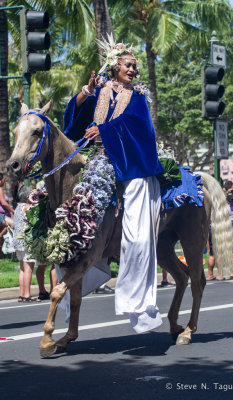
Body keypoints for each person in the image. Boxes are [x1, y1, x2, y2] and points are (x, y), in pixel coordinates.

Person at [63, 36, 164, 333]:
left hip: (131, 167)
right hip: (100, 162)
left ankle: (139, 306)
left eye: (135, 66)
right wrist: (86, 93)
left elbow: (139, 129)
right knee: (73, 217)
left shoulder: (138, 97)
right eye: (128, 65)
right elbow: (73, 122)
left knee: (138, 236)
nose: (133, 70)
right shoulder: (101, 91)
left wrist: (104, 130)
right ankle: (75, 280)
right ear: (114, 67)